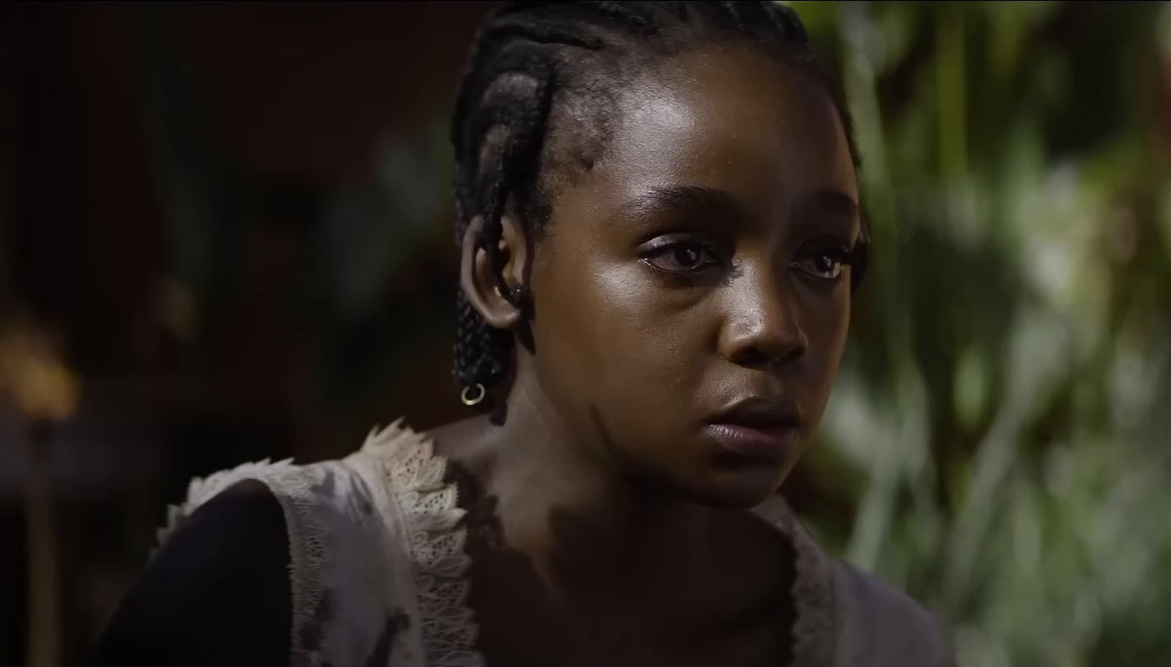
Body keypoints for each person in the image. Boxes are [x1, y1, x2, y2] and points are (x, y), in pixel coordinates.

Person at [88, 2, 955, 666]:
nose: (773, 327)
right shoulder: (287, 588)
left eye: (823, 259)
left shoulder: (883, 647)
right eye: (684, 251)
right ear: (502, 269)